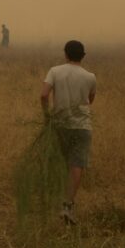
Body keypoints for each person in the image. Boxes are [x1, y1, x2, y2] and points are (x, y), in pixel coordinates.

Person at [40, 40, 96, 225]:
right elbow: (90, 99)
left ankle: (53, 199)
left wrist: (47, 115)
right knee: (76, 165)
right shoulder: (90, 77)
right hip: (82, 126)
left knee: (61, 162)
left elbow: (44, 95)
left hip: (60, 124)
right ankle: (68, 206)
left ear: (65, 54)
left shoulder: (55, 71)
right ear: (83, 56)